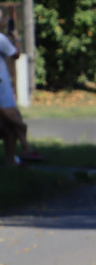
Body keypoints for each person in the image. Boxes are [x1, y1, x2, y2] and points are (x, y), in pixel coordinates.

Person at [0, 16, 42, 167]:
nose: (4, 20)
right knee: (13, 123)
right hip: (2, 90)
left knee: (11, 126)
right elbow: (16, 54)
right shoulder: (1, 39)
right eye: (1, 17)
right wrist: (16, 37)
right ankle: (24, 150)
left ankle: (20, 153)